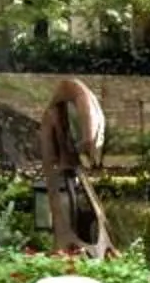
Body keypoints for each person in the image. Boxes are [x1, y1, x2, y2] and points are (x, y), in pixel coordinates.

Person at [41, 76, 112, 255]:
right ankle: (67, 242)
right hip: (64, 150)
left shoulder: (80, 99)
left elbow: (89, 138)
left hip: (71, 149)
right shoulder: (61, 109)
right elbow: (88, 139)